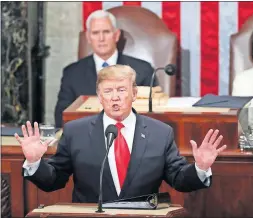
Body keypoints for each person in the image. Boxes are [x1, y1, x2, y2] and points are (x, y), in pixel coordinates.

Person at [15, 65, 227, 203]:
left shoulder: (160, 133)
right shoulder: (75, 132)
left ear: (134, 93)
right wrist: (34, 162)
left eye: (121, 90)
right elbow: (54, 180)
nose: (115, 98)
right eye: (108, 91)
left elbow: (179, 179)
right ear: (99, 96)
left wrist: (200, 168)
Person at [54, 10, 157, 128]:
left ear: (116, 35)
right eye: (95, 33)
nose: (101, 38)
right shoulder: (71, 73)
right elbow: (61, 116)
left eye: (106, 32)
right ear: (88, 37)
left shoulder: (142, 70)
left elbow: (150, 117)